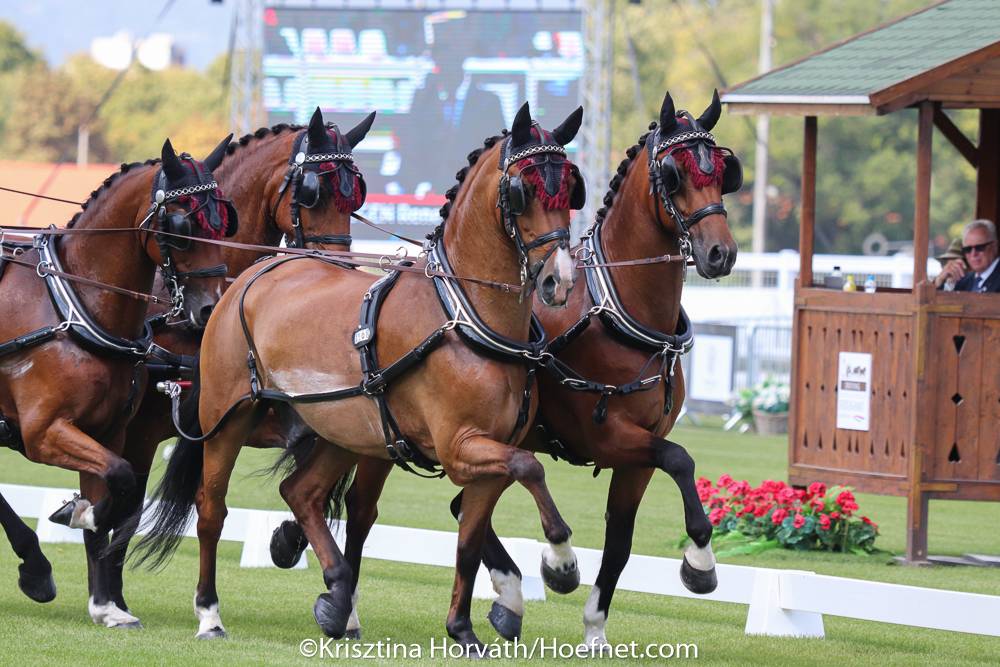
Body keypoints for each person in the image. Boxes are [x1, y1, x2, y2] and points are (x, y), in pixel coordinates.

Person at [935, 219, 1000, 293]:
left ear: (994, 246)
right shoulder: (964, 281)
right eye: (967, 249)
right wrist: (939, 280)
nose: (973, 254)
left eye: (979, 247)